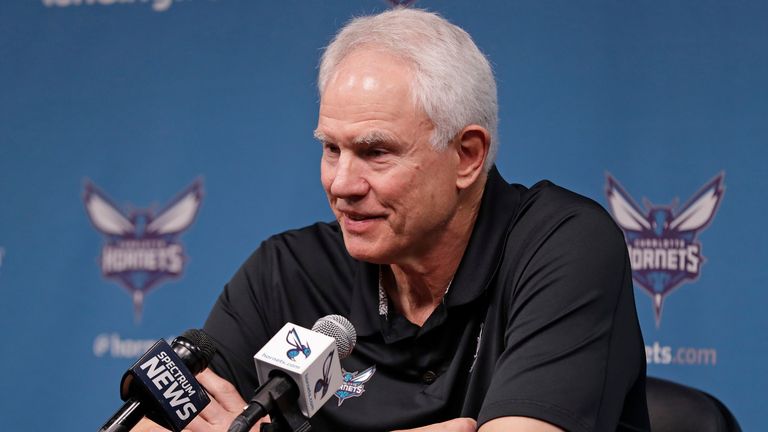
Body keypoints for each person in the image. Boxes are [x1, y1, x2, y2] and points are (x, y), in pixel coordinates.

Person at [139, 7, 649, 432]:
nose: (341, 184)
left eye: (375, 152)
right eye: (332, 149)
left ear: (467, 155)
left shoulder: (565, 245)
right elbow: (149, 422)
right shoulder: (290, 270)